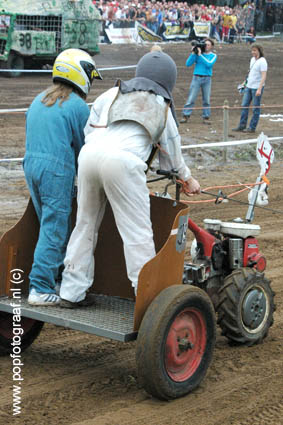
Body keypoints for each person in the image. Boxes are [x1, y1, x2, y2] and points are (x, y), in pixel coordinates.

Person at [59, 51, 201, 308]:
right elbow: (171, 157)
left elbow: (89, 131)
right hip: (124, 163)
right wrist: (187, 179)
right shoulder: (161, 105)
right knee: (137, 233)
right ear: (168, 81)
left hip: (89, 157)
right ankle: (145, 298)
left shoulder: (109, 94)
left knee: (85, 225)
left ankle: (71, 291)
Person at [25, 48, 102, 306]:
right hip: (56, 169)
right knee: (55, 229)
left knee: (48, 223)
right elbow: (86, 149)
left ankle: (52, 278)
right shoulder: (78, 106)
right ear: (82, 74)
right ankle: (40, 287)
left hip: (31, 164)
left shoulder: (39, 99)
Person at [180, 38, 217, 124]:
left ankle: (206, 117)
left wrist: (200, 55)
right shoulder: (197, 54)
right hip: (196, 77)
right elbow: (188, 64)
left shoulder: (213, 55)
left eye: (208, 45)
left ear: (211, 46)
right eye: (205, 44)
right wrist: (193, 53)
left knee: (206, 99)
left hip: (207, 78)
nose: (206, 46)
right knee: (191, 98)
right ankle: (186, 115)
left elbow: (209, 64)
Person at [232, 44, 267, 133]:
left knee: (256, 108)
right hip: (249, 86)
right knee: (244, 105)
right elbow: (250, 74)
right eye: (252, 50)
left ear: (259, 51)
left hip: (256, 87)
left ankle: (252, 127)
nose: (253, 52)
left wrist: (259, 89)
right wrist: (244, 83)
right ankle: (242, 125)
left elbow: (263, 76)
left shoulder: (262, 61)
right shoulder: (252, 60)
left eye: (255, 50)